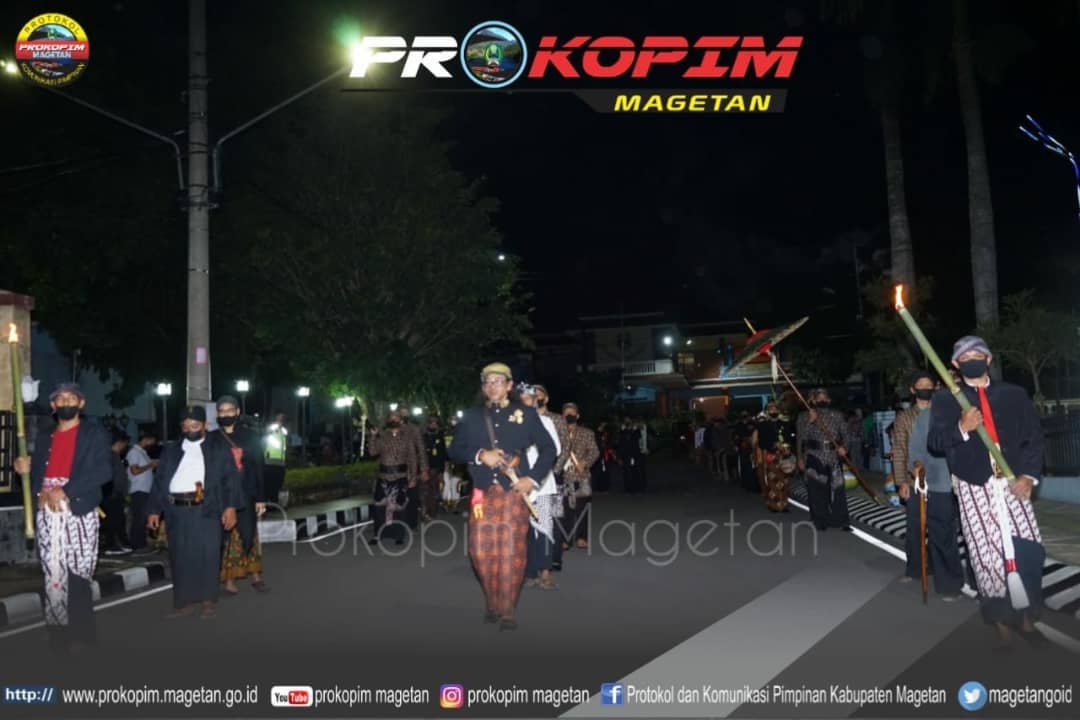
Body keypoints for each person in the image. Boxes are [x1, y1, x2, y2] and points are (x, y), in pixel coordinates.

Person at [928, 336, 1047, 649]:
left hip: (1013, 482)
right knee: (986, 558)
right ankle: (1001, 625)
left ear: (989, 359)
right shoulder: (945, 400)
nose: (972, 359)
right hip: (973, 485)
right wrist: (961, 428)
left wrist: (1029, 477)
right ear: (955, 364)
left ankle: (1027, 619)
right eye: (965, 357)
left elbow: (1034, 438)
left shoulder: (1013, 394)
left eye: (978, 354)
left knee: (1029, 551)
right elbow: (936, 442)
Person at [447, 362, 557, 630]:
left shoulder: (526, 413)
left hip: (512, 492)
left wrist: (532, 479)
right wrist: (479, 455)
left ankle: (507, 608)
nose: (492, 386)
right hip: (481, 493)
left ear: (509, 385)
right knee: (479, 551)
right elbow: (454, 450)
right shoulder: (471, 416)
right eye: (488, 382)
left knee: (510, 551)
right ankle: (492, 600)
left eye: (498, 381)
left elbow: (549, 448)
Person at [14, 383, 112, 654]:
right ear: (53, 405)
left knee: (78, 573)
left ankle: (83, 633)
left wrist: (66, 489)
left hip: (78, 508)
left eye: (71, 398)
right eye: (60, 398)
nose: (66, 401)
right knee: (53, 574)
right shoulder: (45, 436)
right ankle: (58, 633)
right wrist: (24, 470)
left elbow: (103, 471)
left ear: (81, 404)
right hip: (47, 512)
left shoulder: (93, 433)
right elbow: (38, 474)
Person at [147, 406, 241, 620]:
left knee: (208, 555)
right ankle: (184, 602)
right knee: (180, 557)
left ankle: (208, 601)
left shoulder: (218, 448)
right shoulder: (171, 449)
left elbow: (230, 479)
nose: (190, 430)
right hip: (176, 512)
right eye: (186, 426)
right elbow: (159, 481)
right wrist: (154, 510)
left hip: (206, 509)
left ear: (205, 425)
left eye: (195, 426)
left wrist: (230, 507)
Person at [905, 377, 964, 601]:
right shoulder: (927, 417)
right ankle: (949, 585)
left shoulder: (973, 413)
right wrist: (917, 466)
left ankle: (986, 585)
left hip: (973, 485)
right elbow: (915, 451)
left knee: (975, 537)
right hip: (940, 484)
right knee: (942, 535)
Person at [212, 396, 269, 595]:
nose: (225, 414)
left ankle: (255, 575)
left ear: (237, 412)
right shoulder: (212, 438)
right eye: (222, 411)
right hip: (222, 496)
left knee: (248, 533)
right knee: (228, 538)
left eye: (229, 410)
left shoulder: (250, 436)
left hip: (246, 493)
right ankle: (229, 580)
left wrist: (260, 498)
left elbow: (258, 467)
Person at [518, 384, 561, 590]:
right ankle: (530, 571)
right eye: (521, 399)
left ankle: (545, 571)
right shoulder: (512, 423)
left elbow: (555, 449)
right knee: (524, 530)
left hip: (541, 484)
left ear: (535, 401)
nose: (525, 402)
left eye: (529, 398)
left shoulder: (545, 421)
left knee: (544, 528)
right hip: (518, 483)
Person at [367, 409, 427, 545]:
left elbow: (412, 458)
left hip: (400, 476)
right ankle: (378, 534)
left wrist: (413, 477)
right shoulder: (383, 436)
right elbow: (372, 452)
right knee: (379, 507)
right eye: (391, 417)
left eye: (396, 417)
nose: (393, 419)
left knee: (399, 507)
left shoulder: (407, 437)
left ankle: (398, 535)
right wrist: (372, 437)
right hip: (384, 476)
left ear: (400, 420)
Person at [796, 388, 852, 531]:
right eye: (818, 398)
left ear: (829, 400)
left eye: (824, 398)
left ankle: (842, 521)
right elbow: (801, 438)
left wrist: (844, 448)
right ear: (813, 400)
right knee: (816, 490)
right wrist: (811, 421)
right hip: (814, 455)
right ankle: (820, 520)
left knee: (838, 488)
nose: (822, 400)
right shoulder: (805, 416)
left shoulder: (837, 415)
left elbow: (846, 434)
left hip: (833, 456)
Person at [560, 403, 600, 550]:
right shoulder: (557, 433)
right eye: (566, 414)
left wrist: (585, 462)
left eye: (572, 413)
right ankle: (565, 539)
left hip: (581, 476)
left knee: (582, 509)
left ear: (577, 416)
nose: (569, 416)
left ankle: (582, 538)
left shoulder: (587, 433)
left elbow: (595, 452)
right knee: (564, 509)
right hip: (563, 476)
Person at [125, 429, 159, 555]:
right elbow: (135, 471)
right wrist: (151, 465)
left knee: (142, 518)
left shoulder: (142, 453)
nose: (152, 444)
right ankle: (137, 545)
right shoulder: (134, 452)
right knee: (139, 518)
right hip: (138, 489)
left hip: (145, 489)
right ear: (146, 439)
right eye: (152, 441)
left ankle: (141, 544)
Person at [422, 415, 446, 522]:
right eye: (431, 422)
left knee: (434, 491)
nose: (433, 424)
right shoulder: (423, 436)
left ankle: (432, 512)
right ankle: (425, 512)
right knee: (425, 491)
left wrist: (441, 470)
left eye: (435, 422)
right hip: (425, 467)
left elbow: (443, 454)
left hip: (436, 468)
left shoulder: (440, 436)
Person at [263, 411, 288, 506]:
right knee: (269, 484)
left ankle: (274, 503)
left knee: (278, 484)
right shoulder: (271, 428)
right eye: (279, 417)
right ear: (275, 418)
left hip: (280, 462)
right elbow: (267, 431)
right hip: (270, 461)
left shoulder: (283, 431)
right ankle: (268, 503)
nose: (281, 419)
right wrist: (276, 426)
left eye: (282, 417)